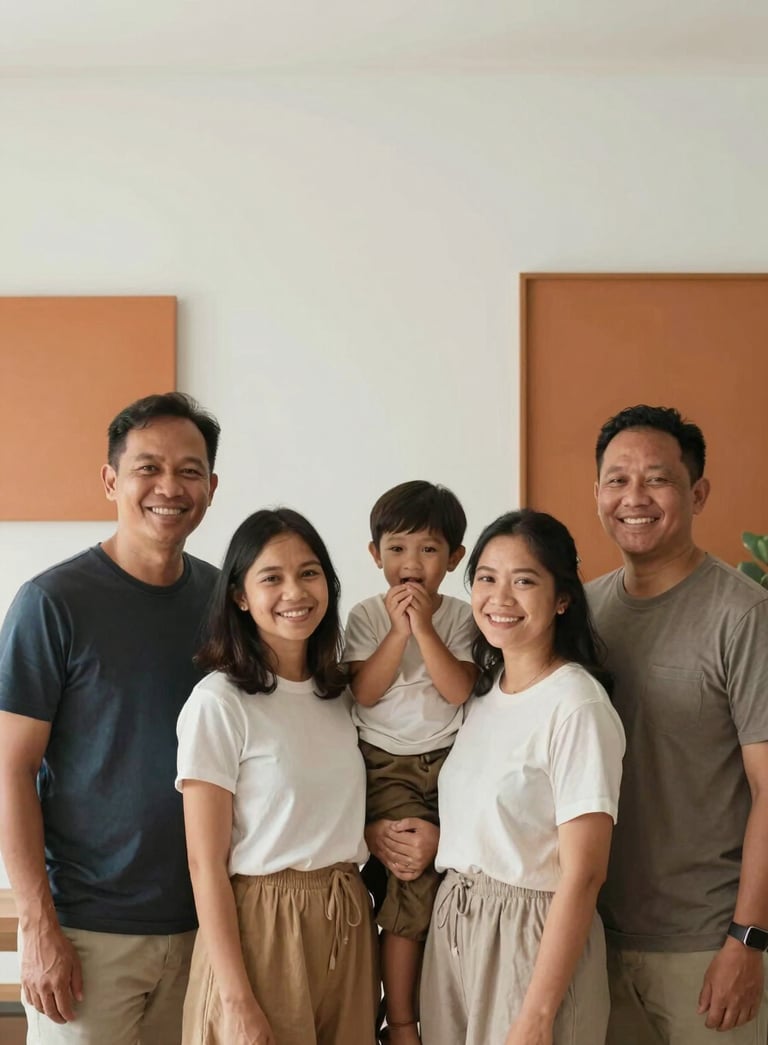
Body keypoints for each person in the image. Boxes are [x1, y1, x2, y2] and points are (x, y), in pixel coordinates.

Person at [0, 392, 220, 1045]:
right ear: (110, 480)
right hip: (87, 935)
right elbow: (11, 768)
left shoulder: (225, 600)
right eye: (147, 467)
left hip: (204, 927)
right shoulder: (51, 602)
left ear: (211, 486)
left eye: (188, 470)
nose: (168, 486)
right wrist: (36, 926)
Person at [587, 404, 768, 1044]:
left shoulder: (744, 615)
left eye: (656, 479)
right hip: (593, 941)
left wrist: (747, 940)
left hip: (705, 947)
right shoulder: (579, 611)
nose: (634, 497)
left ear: (697, 493)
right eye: (617, 479)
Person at [420, 509, 625, 1045]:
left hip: (531, 939)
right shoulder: (482, 695)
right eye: (486, 578)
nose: (499, 597)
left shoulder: (577, 704)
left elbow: (584, 873)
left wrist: (536, 1016)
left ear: (562, 599)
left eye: (524, 580)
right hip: (456, 927)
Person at [176, 508, 379, 1045]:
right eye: (272, 577)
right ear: (240, 596)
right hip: (262, 926)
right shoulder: (219, 702)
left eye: (309, 573)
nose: (296, 591)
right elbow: (204, 863)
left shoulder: (339, 695)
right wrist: (235, 999)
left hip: (347, 920)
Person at [343, 480, 477, 1044]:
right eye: (397, 549)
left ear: (454, 558)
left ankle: (420, 1009)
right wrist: (399, 631)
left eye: (428, 549)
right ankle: (400, 1021)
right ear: (375, 556)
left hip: (449, 762)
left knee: (448, 885)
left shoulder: (464, 616)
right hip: (385, 765)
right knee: (410, 882)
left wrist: (424, 626)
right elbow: (365, 691)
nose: (411, 563)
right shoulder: (366, 615)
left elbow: (458, 689)